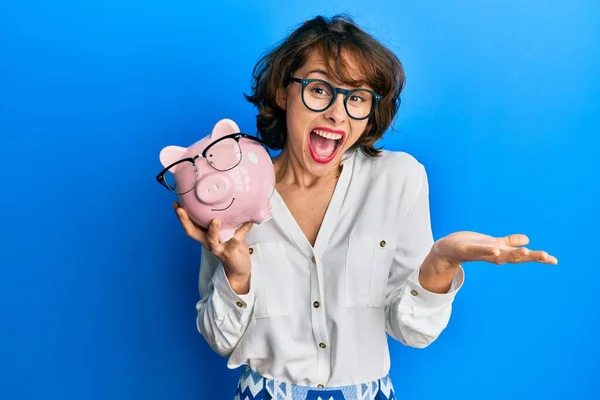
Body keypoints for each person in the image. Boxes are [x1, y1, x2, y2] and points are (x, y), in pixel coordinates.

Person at [171, 14, 558, 400]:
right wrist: (236, 274)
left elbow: (412, 331)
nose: (337, 113)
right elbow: (220, 338)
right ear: (281, 92)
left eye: (356, 97)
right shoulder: (237, 192)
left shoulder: (398, 179)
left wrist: (440, 261)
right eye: (319, 89)